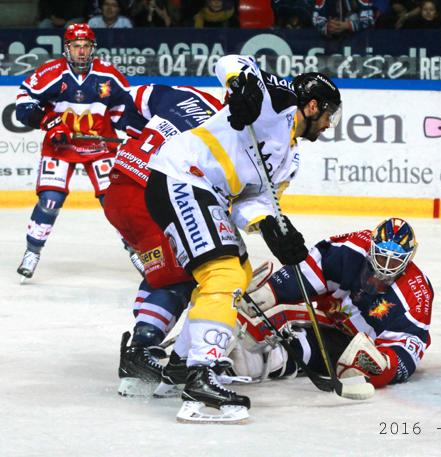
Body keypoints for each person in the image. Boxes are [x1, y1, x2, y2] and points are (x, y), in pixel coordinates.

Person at [143, 55, 342, 421]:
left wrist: (272, 228)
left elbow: (254, 200)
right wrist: (241, 86)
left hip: (207, 194)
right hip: (183, 175)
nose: (329, 124)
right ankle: (201, 375)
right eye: (329, 114)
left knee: (241, 272)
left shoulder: (291, 160)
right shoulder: (279, 100)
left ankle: (181, 366)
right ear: (312, 106)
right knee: (223, 273)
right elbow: (232, 62)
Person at [102, 84, 223, 396]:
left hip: (118, 191)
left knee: (160, 269)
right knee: (186, 272)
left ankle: (142, 344)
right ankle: (141, 349)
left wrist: (134, 131)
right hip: (151, 198)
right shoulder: (230, 129)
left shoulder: (188, 94)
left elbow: (133, 96)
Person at [232, 217, 433, 390]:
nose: (385, 267)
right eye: (381, 256)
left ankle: (251, 362)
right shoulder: (352, 248)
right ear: (372, 246)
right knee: (260, 311)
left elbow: (409, 346)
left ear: (409, 257)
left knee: (297, 348)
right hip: (328, 318)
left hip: (354, 347)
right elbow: (313, 269)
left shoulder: (415, 294)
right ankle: (221, 333)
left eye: (395, 261)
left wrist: (385, 364)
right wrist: (274, 290)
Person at [15, 23, 135, 282]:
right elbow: (24, 103)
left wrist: (134, 131)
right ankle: (32, 252)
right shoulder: (52, 73)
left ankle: (137, 252)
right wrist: (49, 122)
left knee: (114, 201)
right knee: (50, 199)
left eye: (86, 46)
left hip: (100, 147)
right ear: (66, 48)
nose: (81, 51)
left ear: (93, 48)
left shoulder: (108, 75)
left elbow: (124, 109)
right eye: (76, 46)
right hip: (61, 145)